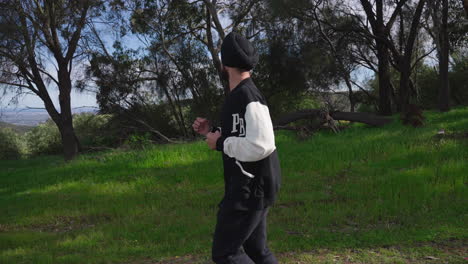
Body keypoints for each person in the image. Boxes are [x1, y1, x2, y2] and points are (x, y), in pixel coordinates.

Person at [192, 32, 281, 264]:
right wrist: (211, 131)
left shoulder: (248, 96)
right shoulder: (238, 95)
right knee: (256, 250)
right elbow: (242, 133)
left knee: (226, 253)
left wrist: (221, 143)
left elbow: (262, 144)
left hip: (249, 189)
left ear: (225, 64)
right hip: (251, 185)